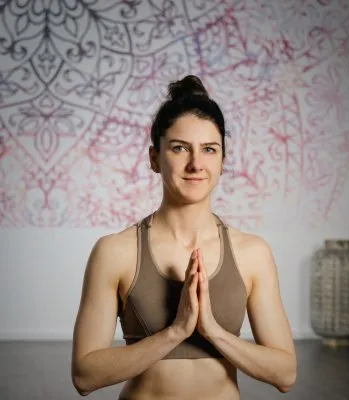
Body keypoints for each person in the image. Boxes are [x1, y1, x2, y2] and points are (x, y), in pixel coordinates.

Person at [71, 75, 297, 399]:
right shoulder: (115, 252)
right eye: (179, 148)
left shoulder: (252, 253)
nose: (195, 164)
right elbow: (84, 376)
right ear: (154, 158)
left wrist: (213, 331)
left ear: (223, 161)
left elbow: (285, 374)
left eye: (209, 149)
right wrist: (176, 331)